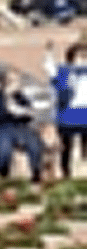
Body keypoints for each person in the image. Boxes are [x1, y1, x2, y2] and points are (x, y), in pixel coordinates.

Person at [0, 68, 44, 182]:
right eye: (14, 81)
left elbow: (29, 114)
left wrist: (24, 113)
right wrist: (7, 100)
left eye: (18, 81)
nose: (18, 84)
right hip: (1, 128)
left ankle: (36, 173)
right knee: (4, 150)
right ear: (5, 83)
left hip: (20, 127)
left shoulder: (21, 97)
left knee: (35, 145)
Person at [45, 40, 87, 178]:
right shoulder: (64, 72)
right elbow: (50, 70)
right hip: (68, 116)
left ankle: (82, 171)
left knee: (85, 148)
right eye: (81, 56)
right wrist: (49, 53)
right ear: (72, 57)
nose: (84, 59)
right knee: (66, 148)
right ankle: (66, 173)